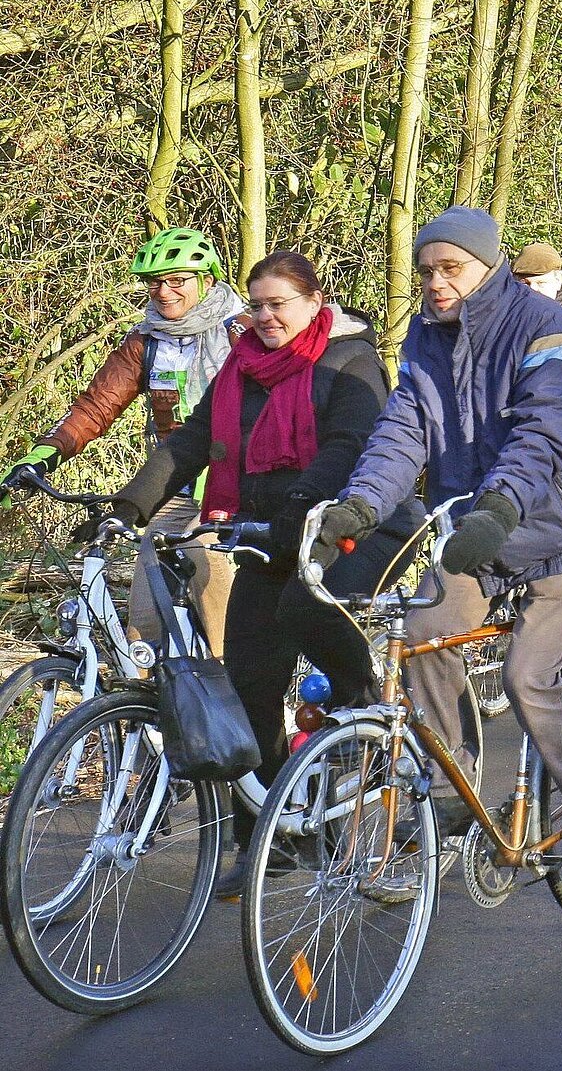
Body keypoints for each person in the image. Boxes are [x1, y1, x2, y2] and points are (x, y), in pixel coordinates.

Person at [311, 205, 562, 887]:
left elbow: (542, 434)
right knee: (427, 628)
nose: (435, 281)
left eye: (449, 267)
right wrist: (363, 503)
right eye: (427, 269)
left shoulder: (549, 330)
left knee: (527, 672)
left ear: (487, 266)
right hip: (479, 527)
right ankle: (453, 784)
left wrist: (502, 505)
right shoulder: (429, 339)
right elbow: (404, 432)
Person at [101, 250, 418, 896]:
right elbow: (189, 441)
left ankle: (367, 703)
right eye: (258, 305)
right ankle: (267, 838)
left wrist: (301, 511)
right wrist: (132, 505)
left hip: (356, 526)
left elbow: (346, 452)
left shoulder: (349, 360)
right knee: (247, 683)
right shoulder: (243, 365)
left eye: (280, 304)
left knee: (304, 612)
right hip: (270, 533)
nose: (267, 317)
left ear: (313, 301)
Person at [0, 228, 246, 656]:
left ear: (207, 279)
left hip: (236, 480)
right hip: (175, 481)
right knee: (145, 605)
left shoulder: (241, 332)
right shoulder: (145, 340)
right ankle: (144, 702)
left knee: (206, 557)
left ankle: (241, 680)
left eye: (177, 280)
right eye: (154, 282)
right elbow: (96, 406)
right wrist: (43, 457)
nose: (163, 292)